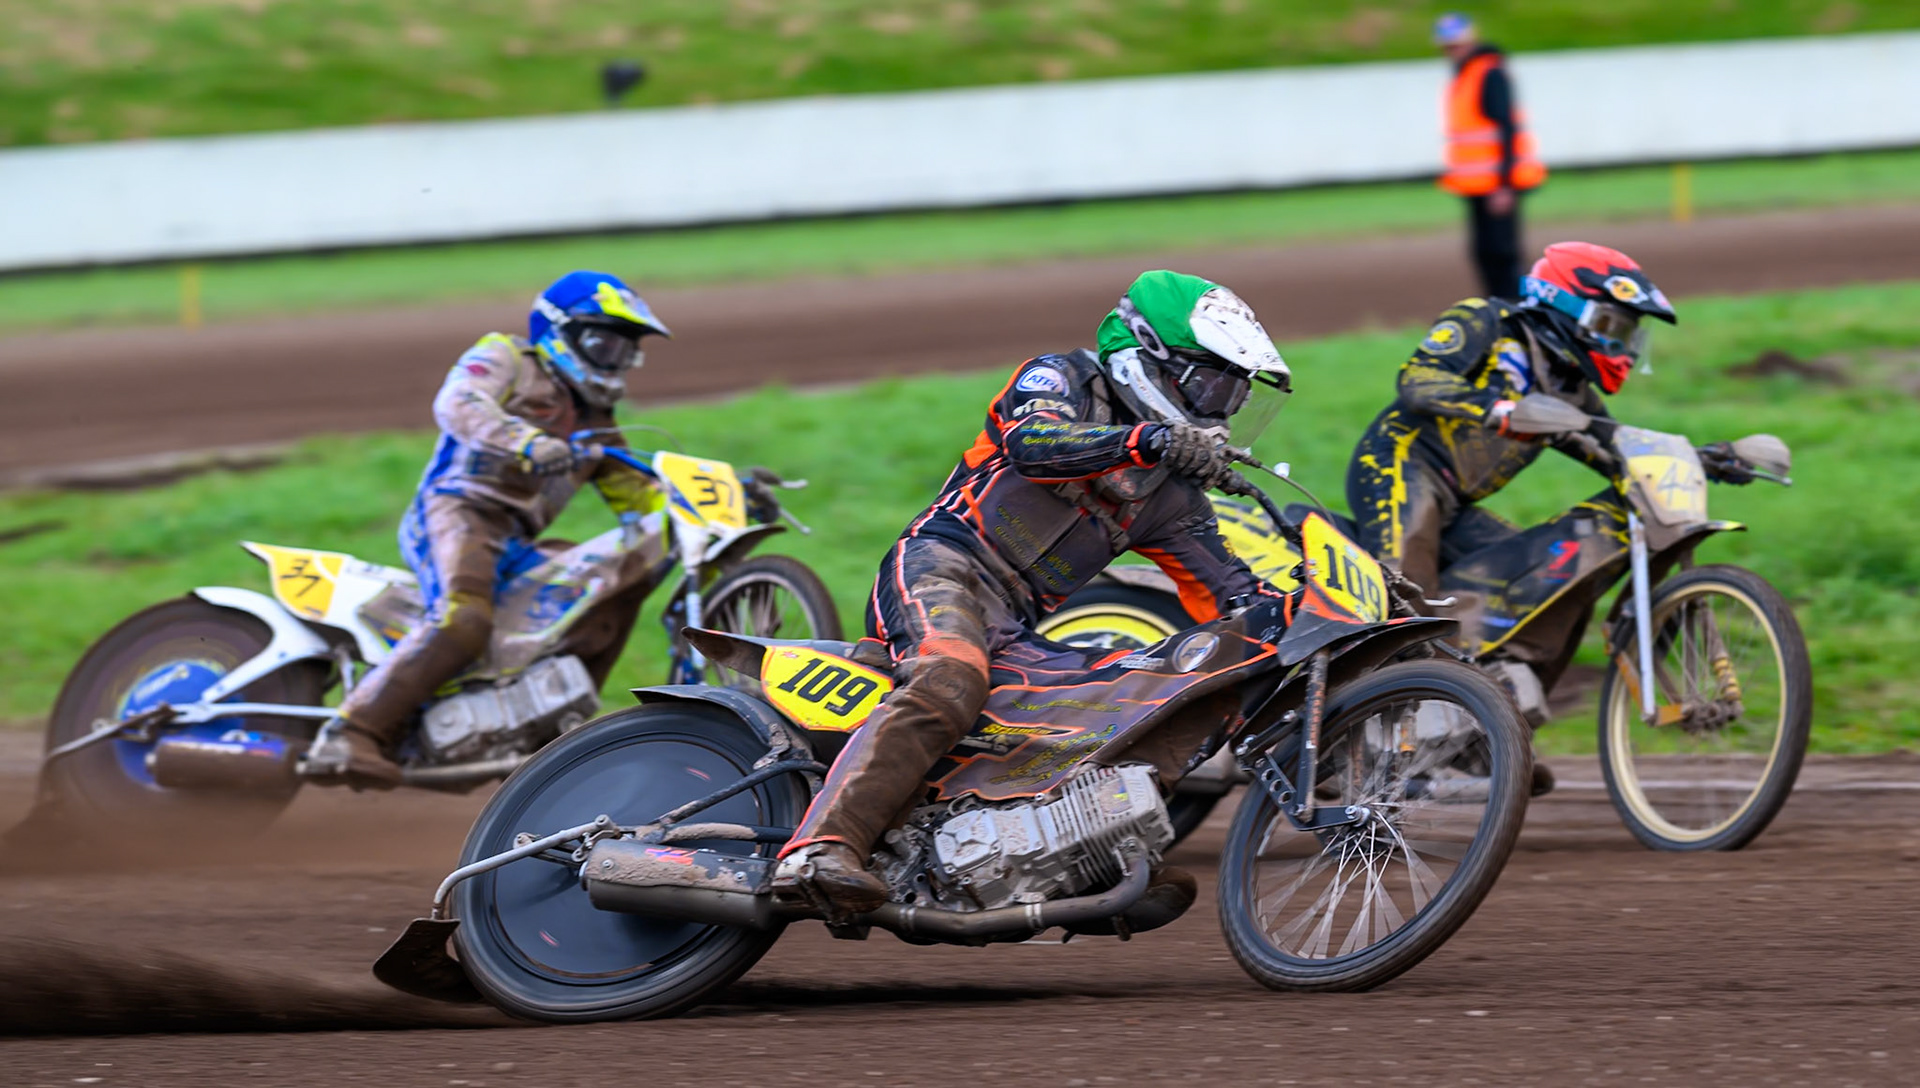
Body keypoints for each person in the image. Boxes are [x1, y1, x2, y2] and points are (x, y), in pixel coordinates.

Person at [775, 270, 1292, 916]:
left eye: (1234, 395)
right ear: (1145, 357)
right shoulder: (1061, 379)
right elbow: (1033, 445)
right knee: (950, 679)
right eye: (1211, 384)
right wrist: (1147, 439)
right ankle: (819, 848)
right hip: (942, 568)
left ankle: (1083, 861)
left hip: (1014, 624)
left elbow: (1231, 598)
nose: (1219, 410)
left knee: (1134, 700)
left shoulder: (1171, 498)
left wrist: (1316, 611)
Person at [304, 270, 672, 788]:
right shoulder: (508, 358)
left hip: (516, 542)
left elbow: (639, 497)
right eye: (602, 341)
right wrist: (526, 440)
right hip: (458, 512)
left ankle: (543, 736)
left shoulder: (596, 419)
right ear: (559, 331)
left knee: (600, 588)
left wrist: (715, 505)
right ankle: (352, 729)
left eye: (622, 348)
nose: (613, 357)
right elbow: (458, 403)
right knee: (463, 617)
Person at [1345, 242, 1678, 782]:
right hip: (1399, 467)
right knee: (1411, 605)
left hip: (1457, 504)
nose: (1623, 345)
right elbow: (1417, 380)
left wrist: (1703, 456)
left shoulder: (1570, 387)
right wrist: (1498, 408)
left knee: (1550, 586)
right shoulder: (1485, 321)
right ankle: (1391, 748)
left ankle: (1487, 725)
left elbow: (1616, 448)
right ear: (1568, 306)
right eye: (1614, 326)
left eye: (1629, 334)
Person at [1434, 12, 1546, 301]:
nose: (1452, 51)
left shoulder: (1488, 73)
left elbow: (1506, 130)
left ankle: (1520, 311)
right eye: (1448, 47)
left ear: (1471, 40)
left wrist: (1504, 185)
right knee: (1485, 253)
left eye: (1457, 45)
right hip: (1477, 185)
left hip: (1498, 183)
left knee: (1503, 254)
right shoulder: (1465, 76)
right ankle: (1497, 310)